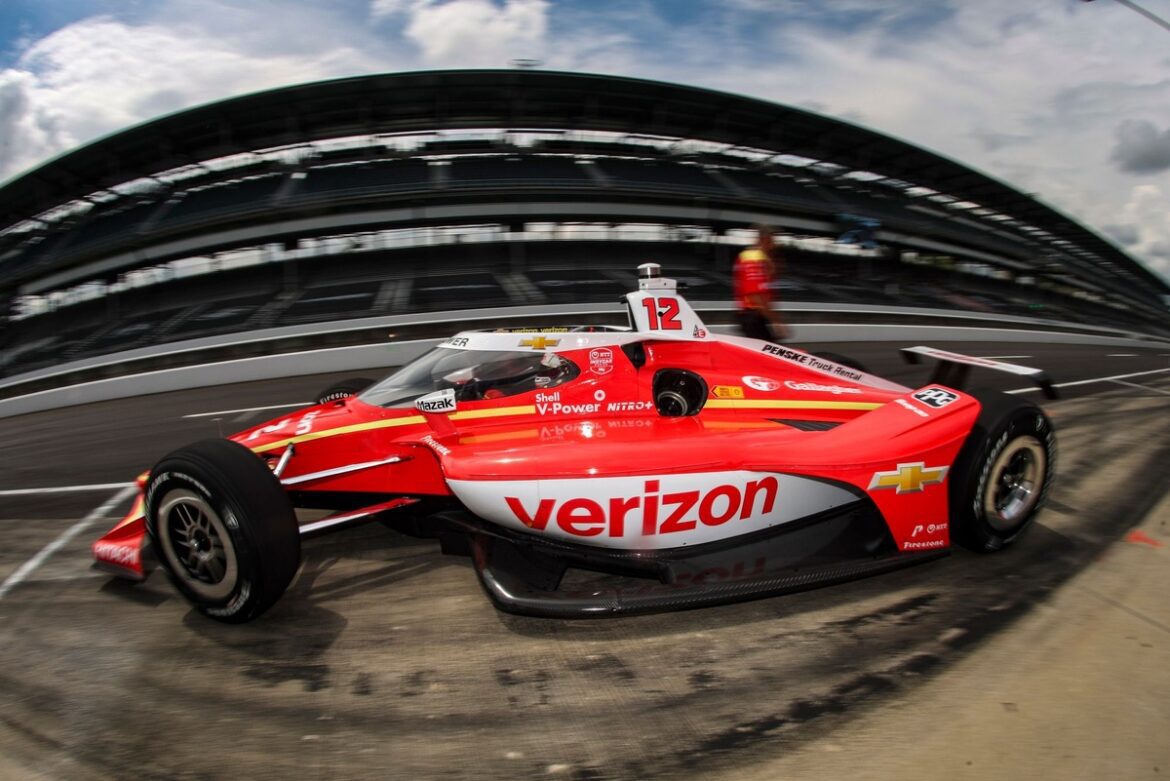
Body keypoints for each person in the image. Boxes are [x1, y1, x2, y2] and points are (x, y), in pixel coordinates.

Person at [733, 225, 789, 341]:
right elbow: (754, 295)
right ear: (765, 239)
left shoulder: (762, 259)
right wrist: (776, 320)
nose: (775, 244)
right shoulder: (752, 258)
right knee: (769, 350)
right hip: (752, 316)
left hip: (757, 315)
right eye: (773, 240)